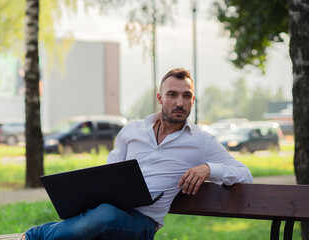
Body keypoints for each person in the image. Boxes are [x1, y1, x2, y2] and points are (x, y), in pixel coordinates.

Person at [22, 67, 253, 240]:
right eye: (172, 95)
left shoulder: (201, 142)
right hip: (110, 209)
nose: (179, 102)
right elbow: (108, 172)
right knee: (101, 211)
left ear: (193, 100)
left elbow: (245, 175)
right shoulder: (132, 131)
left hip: (142, 224)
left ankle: (33, 237)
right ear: (160, 98)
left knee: (105, 215)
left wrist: (209, 168)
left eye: (186, 96)